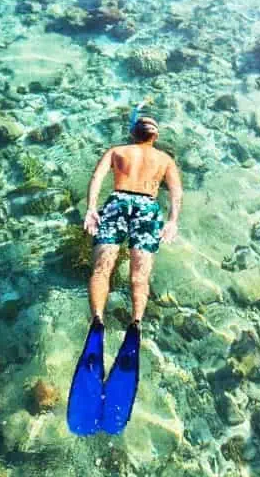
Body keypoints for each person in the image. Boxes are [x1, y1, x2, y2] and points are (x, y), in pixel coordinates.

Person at [66, 106, 183, 436]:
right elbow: (176, 191)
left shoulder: (117, 151)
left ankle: (98, 320)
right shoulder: (165, 160)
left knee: (102, 269)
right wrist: (172, 220)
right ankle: (136, 322)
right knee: (139, 276)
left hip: (117, 202)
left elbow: (97, 178)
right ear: (155, 136)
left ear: (133, 133)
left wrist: (91, 208)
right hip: (148, 207)